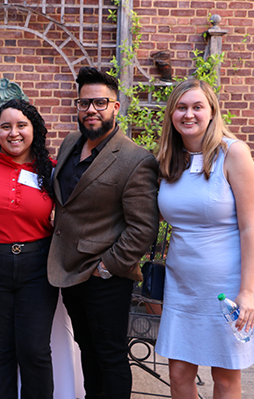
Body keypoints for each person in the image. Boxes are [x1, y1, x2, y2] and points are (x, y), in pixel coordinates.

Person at [155, 79, 254, 398]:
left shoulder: (234, 153)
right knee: (178, 374)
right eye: (181, 107)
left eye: (197, 106)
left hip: (227, 288)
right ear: (171, 114)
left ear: (212, 112)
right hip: (183, 285)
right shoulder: (168, 160)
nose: (189, 114)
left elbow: (249, 228)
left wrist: (247, 292)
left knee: (225, 377)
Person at [47, 66, 160, 399]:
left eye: (99, 102)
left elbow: (143, 226)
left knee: (110, 356)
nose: (91, 110)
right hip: (67, 270)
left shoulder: (136, 159)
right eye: (84, 103)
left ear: (116, 107)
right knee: (87, 350)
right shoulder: (70, 143)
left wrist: (107, 266)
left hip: (105, 277)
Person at [0, 99, 59, 399]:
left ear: (35, 129)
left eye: (22, 125)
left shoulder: (51, 170)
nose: (14, 133)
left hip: (37, 268)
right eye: (5, 126)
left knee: (34, 350)